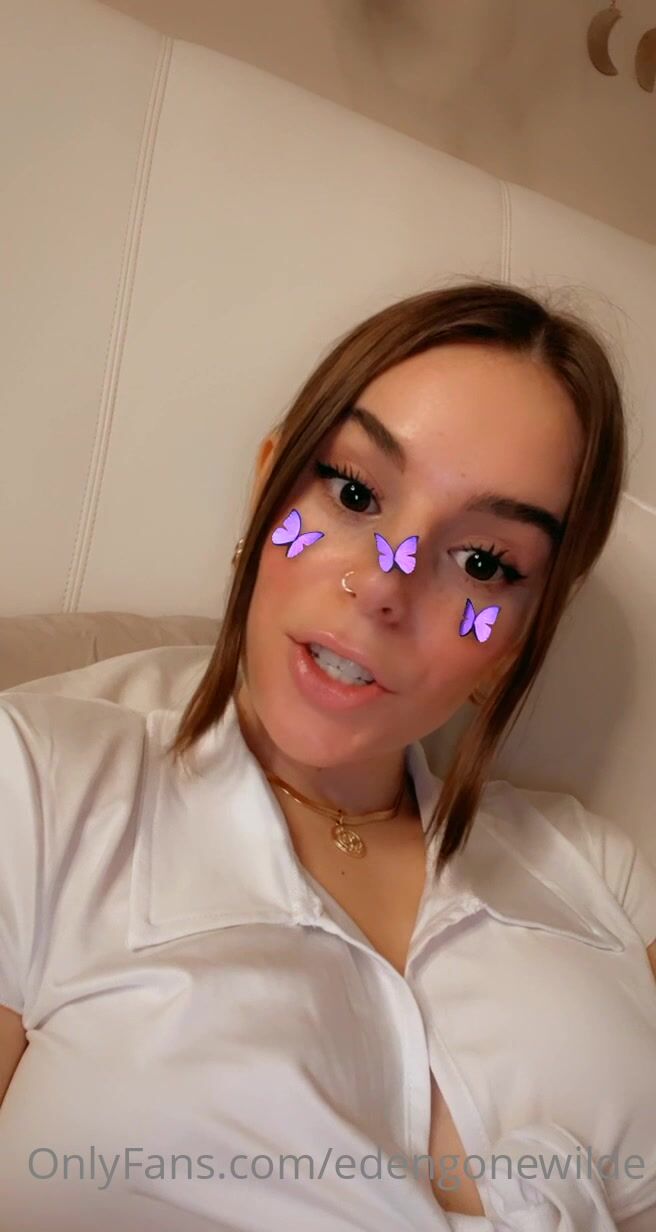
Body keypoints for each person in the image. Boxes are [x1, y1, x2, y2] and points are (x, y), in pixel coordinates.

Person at [1, 280, 655, 1232]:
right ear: (268, 489)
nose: (387, 586)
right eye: (354, 494)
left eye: (484, 563)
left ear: (516, 639)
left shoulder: (599, 871)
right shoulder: (34, 788)